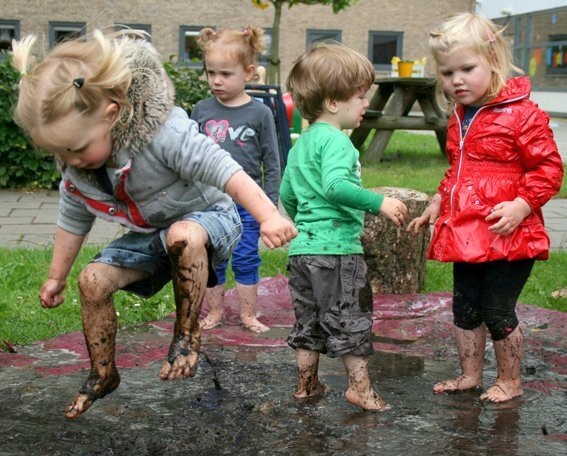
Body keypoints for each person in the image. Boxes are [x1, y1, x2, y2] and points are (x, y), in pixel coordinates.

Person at [11, 30, 297, 419]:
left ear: (110, 115)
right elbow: (73, 215)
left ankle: (187, 336)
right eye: (60, 152)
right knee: (92, 281)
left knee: (183, 235)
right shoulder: (79, 165)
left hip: (211, 219)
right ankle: (102, 372)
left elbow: (226, 170)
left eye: (77, 149)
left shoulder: (165, 134)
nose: (71, 161)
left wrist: (268, 215)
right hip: (152, 236)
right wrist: (56, 277)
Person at [407, 12, 563, 403]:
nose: (456, 80)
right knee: (464, 308)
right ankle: (470, 374)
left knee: (497, 310)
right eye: (446, 72)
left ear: (493, 62)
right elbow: (457, 170)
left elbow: (548, 167)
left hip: (507, 233)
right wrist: (437, 202)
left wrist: (523, 205)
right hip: (467, 233)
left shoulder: (522, 115)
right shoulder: (460, 115)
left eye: (466, 68)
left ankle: (511, 380)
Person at [280, 42, 408, 411]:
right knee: (350, 319)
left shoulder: (301, 144)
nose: (365, 103)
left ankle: (307, 385)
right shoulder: (338, 142)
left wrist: (306, 222)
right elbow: (336, 187)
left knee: (310, 323)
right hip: (337, 252)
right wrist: (378, 202)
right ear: (334, 103)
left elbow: (288, 195)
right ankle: (361, 388)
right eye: (359, 96)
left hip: (303, 251)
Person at [191, 26, 280, 333]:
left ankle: (247, 314)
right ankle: (215, 311)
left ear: (249, 72)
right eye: (211, 72)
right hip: (209, 204)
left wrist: (269, 202)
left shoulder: (260, 113)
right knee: (213, 259)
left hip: (247, 203)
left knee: (245, 256)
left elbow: (272, 160)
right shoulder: (201, 110)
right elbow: (188, 156)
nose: (216, 80)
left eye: (226, 74)